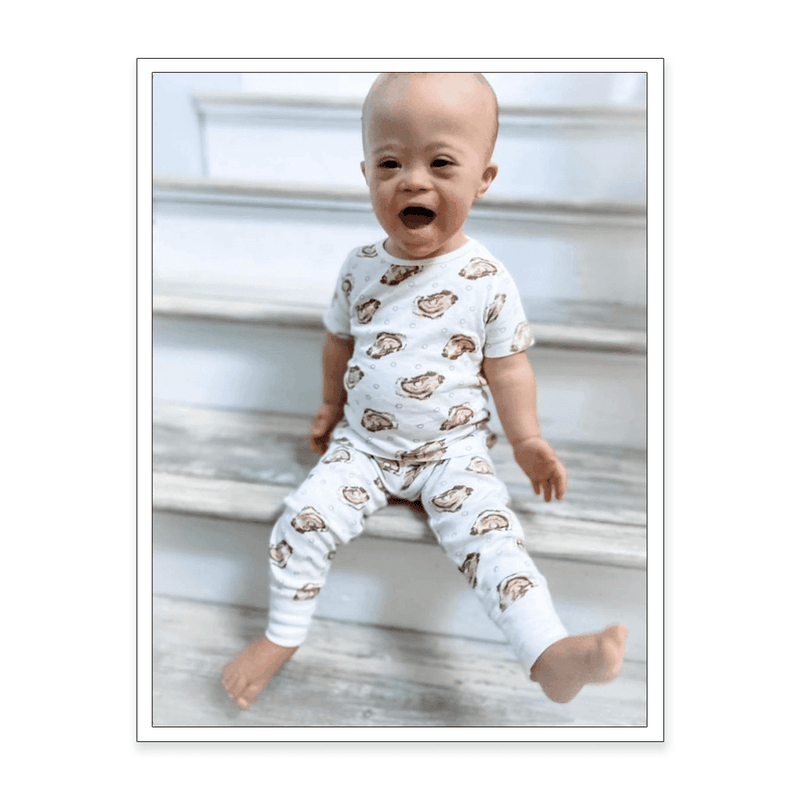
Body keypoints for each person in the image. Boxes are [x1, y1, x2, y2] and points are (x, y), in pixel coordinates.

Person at [221, 73, 627, 711]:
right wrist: (329, 405)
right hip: (363, 449)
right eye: (390, 163)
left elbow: (509, 369)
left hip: (452, 454)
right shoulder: (360, 266)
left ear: (483, 179)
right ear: (366, 174)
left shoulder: (485, 277)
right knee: (300, 521)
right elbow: (338, 342)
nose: (412, 181)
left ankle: (548, 652)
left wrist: (526, 439)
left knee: (495, 542)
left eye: (440, 163)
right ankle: (282, 636)